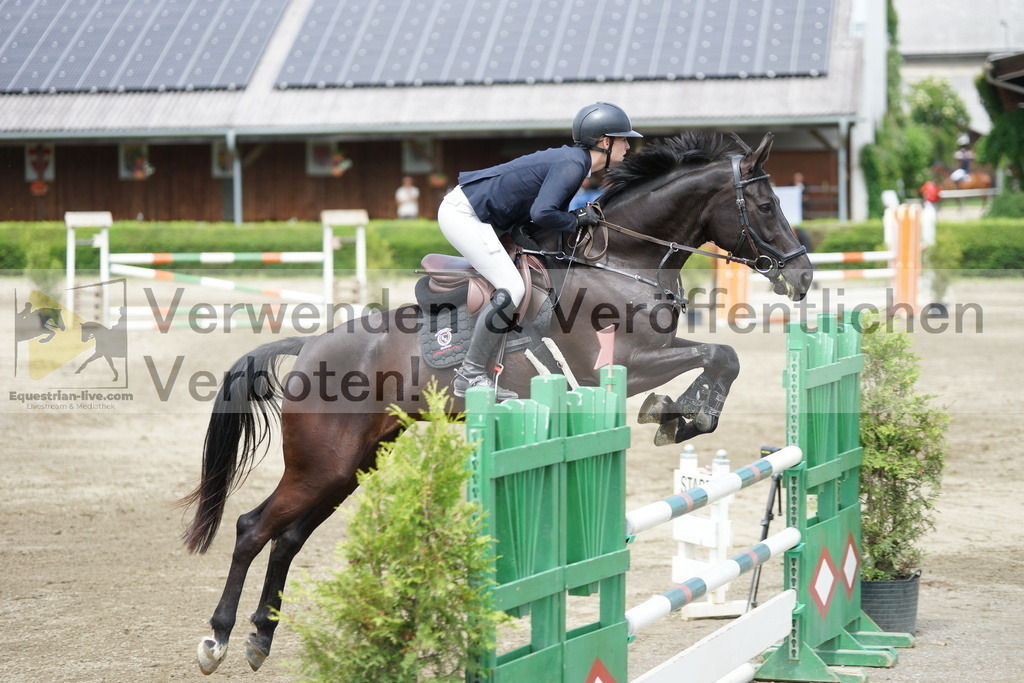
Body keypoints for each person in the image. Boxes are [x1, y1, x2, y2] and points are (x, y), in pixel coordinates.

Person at [437, 102, 642, 400]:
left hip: (486, 217)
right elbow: (544, 213)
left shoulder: (575, 162)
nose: (628, 146)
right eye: (624, 139)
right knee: (513, 287)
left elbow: (538, 215)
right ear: (605, 142)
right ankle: (469, 375)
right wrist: (576, 219)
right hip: (465, 215)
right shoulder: (573, 165)